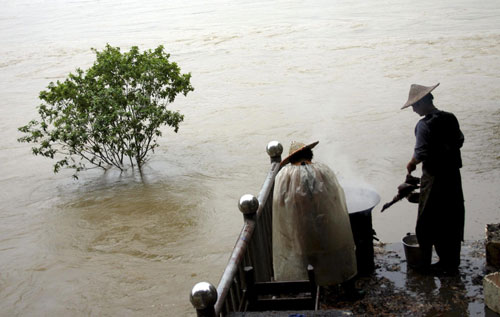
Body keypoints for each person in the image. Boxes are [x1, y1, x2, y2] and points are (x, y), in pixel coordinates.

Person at [272, 141, 357, 286]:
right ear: (309, 154)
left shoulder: (284, 175)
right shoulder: (322, 170)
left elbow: (279, 202)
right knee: (332, 253)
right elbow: (335, 196)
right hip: (325, 223)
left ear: (292, 159)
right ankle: (345, 286)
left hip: (300, 227)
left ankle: (314, 289)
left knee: (308, 258)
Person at [402, 83, 465, 275]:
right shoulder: (450, 117)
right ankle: (451, 263)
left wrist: (411, 164)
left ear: (422, 102)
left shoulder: (424, 125)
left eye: (414, 105)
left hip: (435, 178)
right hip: (453, 176)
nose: (413, 109)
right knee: (452, 217)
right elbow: (460, 140)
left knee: (426, 223)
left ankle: (426, 265)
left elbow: (420, 152)